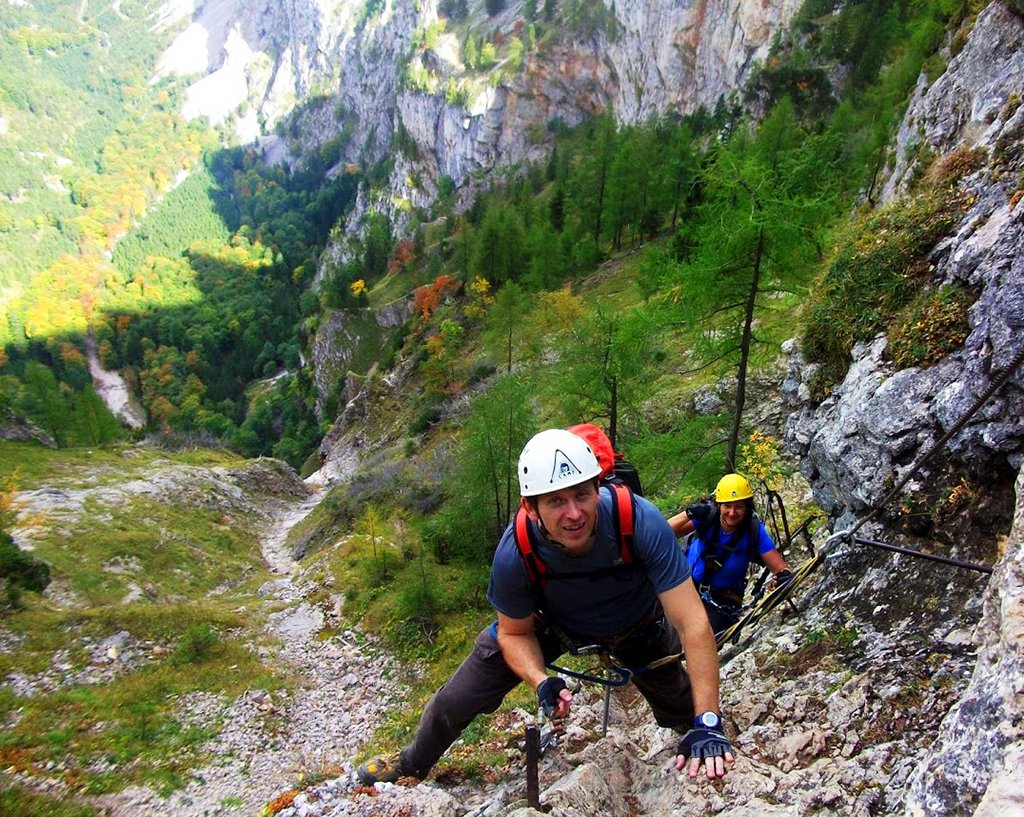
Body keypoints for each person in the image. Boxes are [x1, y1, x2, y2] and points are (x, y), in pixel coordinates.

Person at [357, 428, 734, 786]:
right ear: (531, 507)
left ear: (597, 487)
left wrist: (708, 722)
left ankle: (696, 726)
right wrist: (540, 680)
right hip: (554, 624)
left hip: (637, 624)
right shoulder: (516, 551)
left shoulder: (639, 520)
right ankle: (411, 763)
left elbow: (692, 623)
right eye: (556, 500)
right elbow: (513, 631)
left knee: (683, 706)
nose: (574, 513)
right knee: (456, 698)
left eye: (582, 495)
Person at [667, 473, 793, 636]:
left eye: (738, 506)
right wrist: (689, 513)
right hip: (688, 586)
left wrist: (784, 576)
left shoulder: (754, 530)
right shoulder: (708, 517)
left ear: (747, 507)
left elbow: (780, 567)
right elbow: (664, 532)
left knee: (705, 636)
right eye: (727, 506)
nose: (732, 513)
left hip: (723, 600)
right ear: (719, 505)